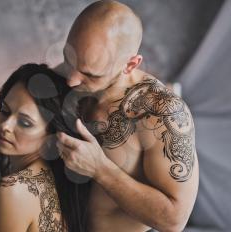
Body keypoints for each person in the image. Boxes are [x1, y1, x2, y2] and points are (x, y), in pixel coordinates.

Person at [55, 1, 199, 232]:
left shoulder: (161, 113)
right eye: (68, 58)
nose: (71, 80)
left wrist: (100, 169)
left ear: (130, 65)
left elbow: (174, 220)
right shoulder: (63, 79)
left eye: (90, 74)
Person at [0, 63, 90, 232]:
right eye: (5, 110)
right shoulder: (56, 180)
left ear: (51, 136)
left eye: (25, 123)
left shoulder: (12, 190)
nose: (6, 126)